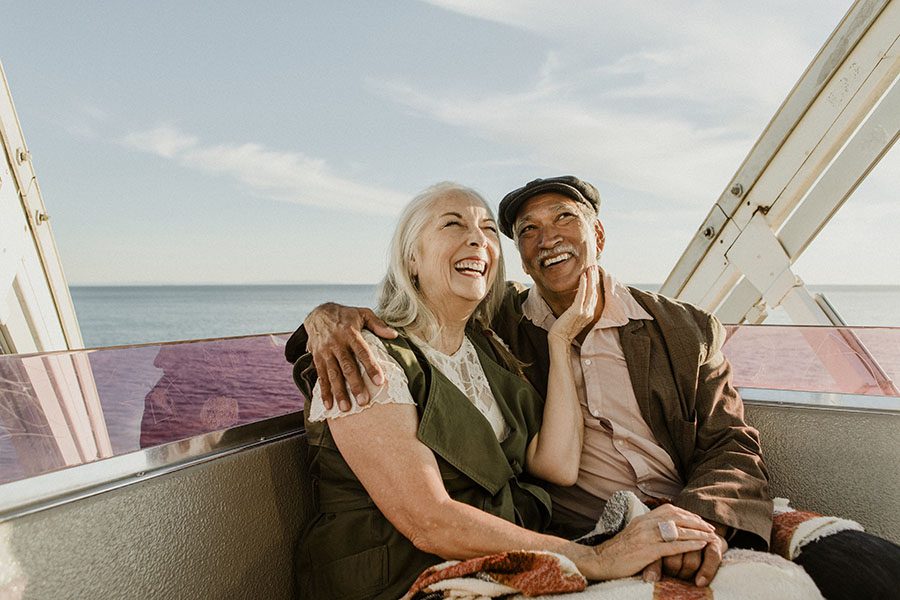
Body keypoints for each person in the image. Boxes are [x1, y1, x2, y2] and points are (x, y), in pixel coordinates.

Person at [287, 175, 900, 598]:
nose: (545, 236)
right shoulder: (499, 330)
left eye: (564, 218)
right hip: (581, 533)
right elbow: (411, 323)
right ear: (520, 260)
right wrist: (325, 316)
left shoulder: (684, 330)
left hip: (689, 510)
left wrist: (688, 521)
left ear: (598, 235)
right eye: (525, 230)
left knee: (864, 568)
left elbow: (730, 447)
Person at [289, 182, 720, 600]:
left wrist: (561, 339)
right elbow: (428, 521)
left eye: (489, 230)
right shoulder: (363, 355)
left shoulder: (486, 347)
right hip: (401, 573)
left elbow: (558, 466)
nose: (477, 240)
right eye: (453, 224)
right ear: (412, 259)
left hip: (495, 560)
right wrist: (596, 557)